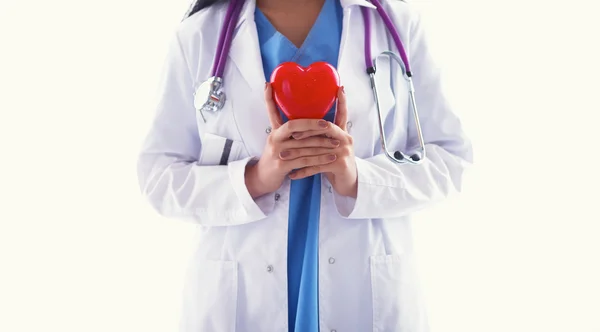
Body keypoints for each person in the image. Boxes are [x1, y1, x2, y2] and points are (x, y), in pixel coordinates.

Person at [136, 0, 473, 330]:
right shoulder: (200, 35)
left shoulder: (396, 23)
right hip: (242, 293)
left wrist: (359, 181)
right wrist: (254, 178)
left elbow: (450, 159)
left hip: (363, 279)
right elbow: (159, 176)